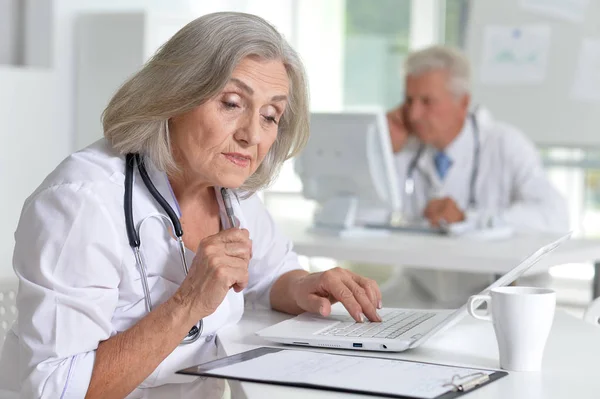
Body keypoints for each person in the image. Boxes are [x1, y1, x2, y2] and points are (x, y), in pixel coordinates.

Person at [0, 12, 382, 399]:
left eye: (270, 116)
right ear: (175, 96)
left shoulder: (230, 192)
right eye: (232, 103)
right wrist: (189, 301)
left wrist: (303, 285)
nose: (252, 135)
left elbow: (269, 275)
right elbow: (55, 388)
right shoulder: (82, 203)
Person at [385, 45, 568, 305]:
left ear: (463, 103)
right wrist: (381, 152)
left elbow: (555, 216)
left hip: (495, 295)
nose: (413, 115)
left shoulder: (504, 143)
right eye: (409, 101)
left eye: (427, 102)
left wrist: (469, 219)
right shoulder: (405, 148)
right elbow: (361, 218)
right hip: (422, 294)